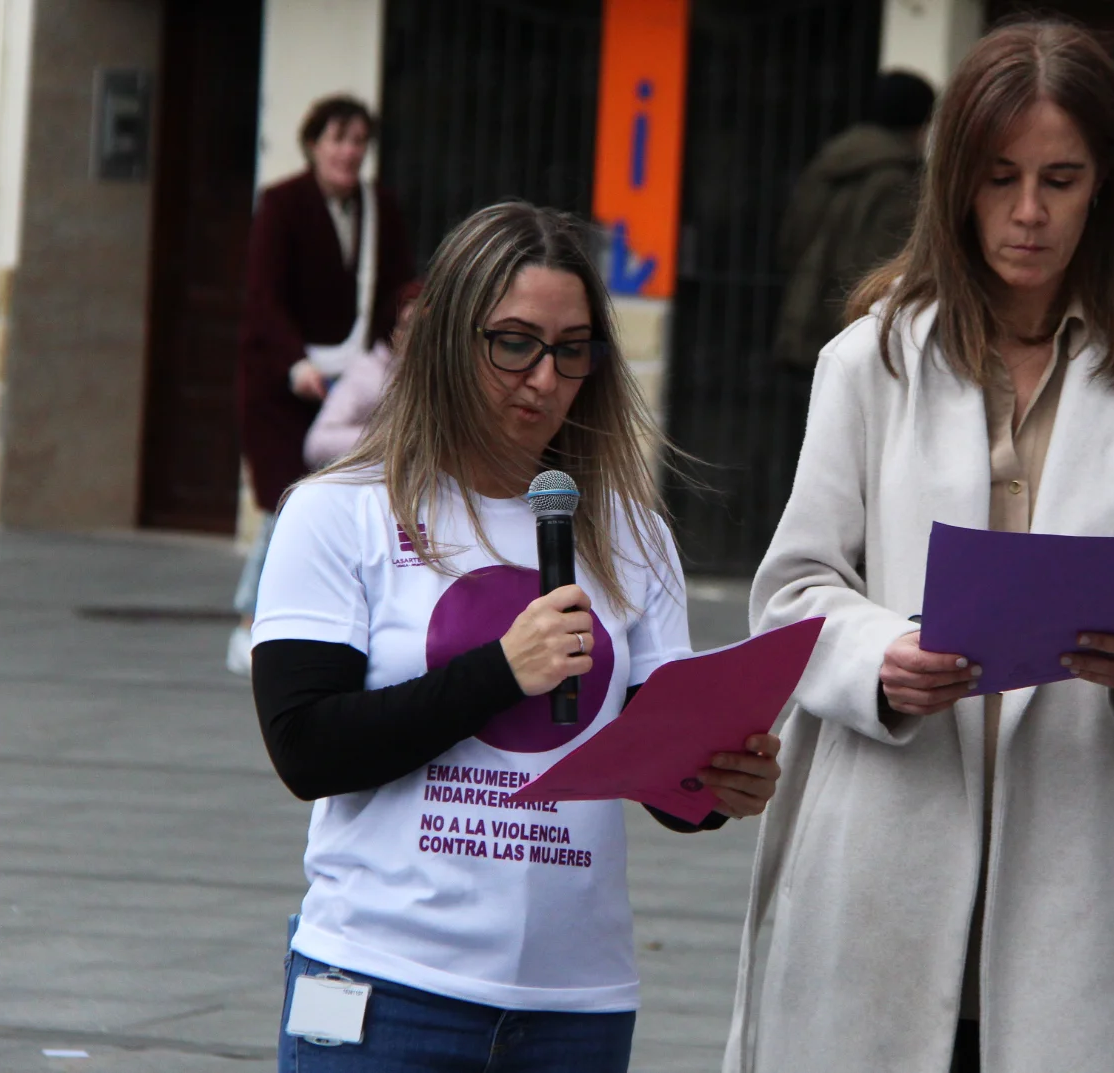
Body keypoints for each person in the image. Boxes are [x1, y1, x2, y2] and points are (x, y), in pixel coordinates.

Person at [727, 20, 1114, 1073]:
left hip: (1071, 862)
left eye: (1061, 178)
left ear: (1105, 186)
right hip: (884, 850)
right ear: (955, 180)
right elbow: (792, 589)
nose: (1029, 211)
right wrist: (880, 657)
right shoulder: (869, 361)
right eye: (1001, 177)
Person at [250, 202, 783, 1072]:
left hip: (574, 1006)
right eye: (515, 343)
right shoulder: (339, 512)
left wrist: (720, 784)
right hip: (384, 984)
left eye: (572, 350)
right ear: (447, 340)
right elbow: (306, 748)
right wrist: (500, 669)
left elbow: (661, 769)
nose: (544, 378)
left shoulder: (632, 533)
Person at [230, 95, 416, 676]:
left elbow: (397, 290)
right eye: (338, 138)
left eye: (358, 141)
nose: (349, 152)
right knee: (284, 504)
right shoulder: (282, 203)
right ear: (313, 145)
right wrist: (296, 364)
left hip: (353, 383)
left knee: (352, 503)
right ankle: (249, 621)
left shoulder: (380, 207)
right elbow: (264, 297)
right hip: (285, 385)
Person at [772, 70, 937, 373]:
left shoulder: (828, 164)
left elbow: (791, 240)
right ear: (921, 122)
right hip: (852, 333)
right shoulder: (899, 180)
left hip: (804, 322)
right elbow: (888, 267)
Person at [302, 279, 422, 469]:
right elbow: (317, 443)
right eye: (408, 326)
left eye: (426, 329)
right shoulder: (368, 373)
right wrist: (390, 439)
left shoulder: (440, 375)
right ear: (393, 331)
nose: (419, 337)